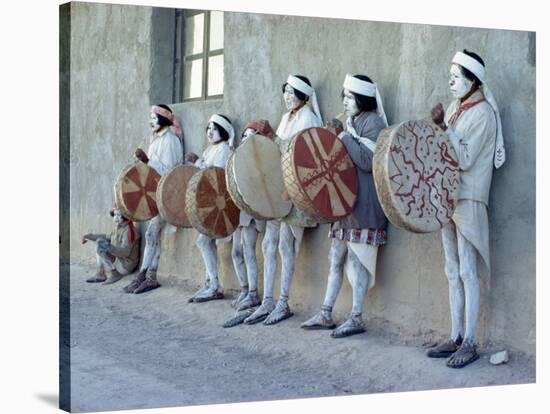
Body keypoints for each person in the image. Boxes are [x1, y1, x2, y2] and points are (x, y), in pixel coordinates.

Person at [426, 50, 505, 368]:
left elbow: (466, 159)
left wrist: (442, 129)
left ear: (473, 81)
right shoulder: (456, 109)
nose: (450, 81)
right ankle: (455, 335)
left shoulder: (483, 113)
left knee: (467, 271)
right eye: (450, 75)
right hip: (448, 197)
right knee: (451, 269)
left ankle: (470, 341)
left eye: (456, 76)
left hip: (469, 198)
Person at [300, 74, 389, 337]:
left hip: (364, 205)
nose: (346, 102)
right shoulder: (352, 122)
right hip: (345, 204)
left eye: (350, 97)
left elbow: (366, 161)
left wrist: (343, 136)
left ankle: (356, 317)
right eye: (344, 97)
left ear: (363, 98)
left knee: (357, 261)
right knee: (336, 258)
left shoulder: (374, 122)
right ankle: (326, 312)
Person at [244, 75, 323, 325]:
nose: (287, 96)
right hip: (280, 192)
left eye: (292, 92)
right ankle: (268, 300)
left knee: (285, 247)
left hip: (295, 192)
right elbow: (279, 151)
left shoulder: (308, 118)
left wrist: (272, 137)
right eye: (285, 92)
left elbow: (301, 154)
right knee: (269, 244)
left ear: (304, 96)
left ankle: (283, 302)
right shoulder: (286, 117)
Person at [122, 104, 184, 294]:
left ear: (163, 119)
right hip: (153, 194)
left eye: (153, 117)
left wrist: (148, 162)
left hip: (166, 195)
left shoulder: (171, 141)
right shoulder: (155, 140)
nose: (150, 121)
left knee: (151, 234)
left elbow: (171, 172)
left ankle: (146, 275)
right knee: (152, 235)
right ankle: (148, 275)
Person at [222, 120, 277, 328]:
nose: (247, 138)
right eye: (244, 135)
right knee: (242, 250)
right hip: (243, 209)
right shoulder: (240, 158)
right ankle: (247, 290)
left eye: (252, 135)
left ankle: (254, 292)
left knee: (253, 249)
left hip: (258, 208)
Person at [186, 114, 234, 303]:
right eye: (208, 128)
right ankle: (210, 282)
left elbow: (216, 178)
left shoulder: (223, 150)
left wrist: (198, 162)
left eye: (214, 128)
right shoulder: (210, 150)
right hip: (209, 206)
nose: (210, 132)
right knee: (205, 241)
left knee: (203, 241)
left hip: (219, 206)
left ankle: (214, 285)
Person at [82, 205, 140, 285]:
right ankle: (100, 274)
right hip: (119, 260)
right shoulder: (119, 227)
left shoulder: (128, 231)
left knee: (100, 245)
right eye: (115, 214)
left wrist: (109, 248)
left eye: (118, 215)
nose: (116, 218)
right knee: (100, 243)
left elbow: (126, 252)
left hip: (126, 265)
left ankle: (114, 273)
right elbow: (108, 237)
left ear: (125, 216)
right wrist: (90, 236)